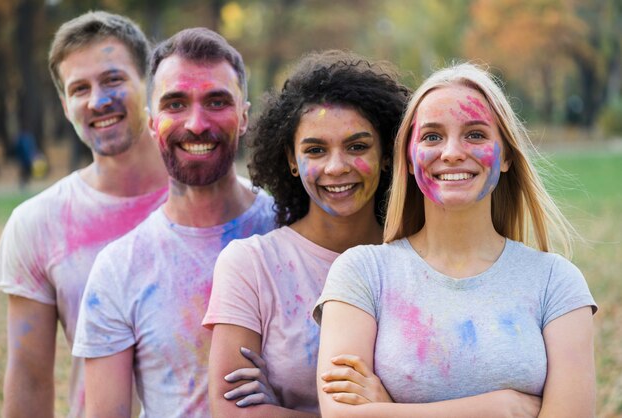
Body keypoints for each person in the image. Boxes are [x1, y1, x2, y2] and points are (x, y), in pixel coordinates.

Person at [314, 62, 597, 418]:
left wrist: (386, 410)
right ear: (410, 160)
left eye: (475, 134)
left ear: (506, 155)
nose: (451, 153)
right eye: (432, 136)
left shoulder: (556, 282)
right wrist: (498, 408)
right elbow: (340, 415)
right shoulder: (362, 273)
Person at [72, 27, 276, 418]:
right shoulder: (119, 269)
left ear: (245, 116)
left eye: (217, 101)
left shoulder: (293, 228)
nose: (197, 124)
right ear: (152, 123)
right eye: (176, 104)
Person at [204, 50, 410, 417]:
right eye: (315, 150)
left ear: (388, 153)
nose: (336, 167)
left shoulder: (419, 258)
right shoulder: (252, 265)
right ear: (290, 160)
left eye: (357, 146)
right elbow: (230, 411)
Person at [0, 11, 168, 417]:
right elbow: (31, 378)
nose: (98, 100)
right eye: (79, 88)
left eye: (113, 80)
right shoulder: (37, 223)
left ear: (150, 84)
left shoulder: (215, 203)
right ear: (64, 104)